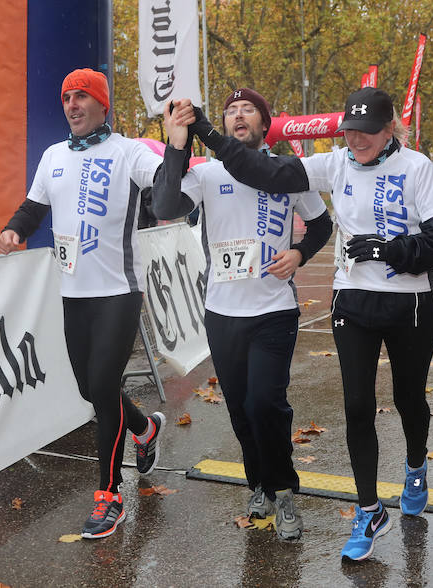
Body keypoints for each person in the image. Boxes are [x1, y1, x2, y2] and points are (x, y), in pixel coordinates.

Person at [182, 87, 433, 560]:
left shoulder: (418, 168)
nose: (358, 139)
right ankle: (369, 510)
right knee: (356, 407)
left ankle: (414, 465)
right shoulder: (334, 163)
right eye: (350, 130)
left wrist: (389, 249)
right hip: (352, 302)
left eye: (368, 132)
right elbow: (262, 169)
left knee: (409, 399)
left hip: (410, 304)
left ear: (390, 129)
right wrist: (206, 130)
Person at [0, 68, 190, 540]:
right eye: (67, 97)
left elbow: (167, 189)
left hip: (119, 291)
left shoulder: (127, 151)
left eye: (82, 96)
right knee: (91, 391)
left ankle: (110, 495)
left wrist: (177, 143)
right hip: (73, 293)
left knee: (104, 385)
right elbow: (33, 207)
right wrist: (14, 230)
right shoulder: (52, 156)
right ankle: (144, 429)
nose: (73, 104)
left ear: (103, 105)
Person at [153, 88, 332, 540]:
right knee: (240, 411)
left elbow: (322, 223)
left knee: (266, 403)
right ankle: (259, 486)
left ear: (264, 122)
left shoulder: (287, 172)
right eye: (230, 111)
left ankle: (284, 490)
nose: (237, 116)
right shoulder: (209, 173)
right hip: (222, 312)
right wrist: (178, 145)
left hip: (274, 310)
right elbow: (165, 206)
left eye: (247, 109)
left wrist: (299, 252)